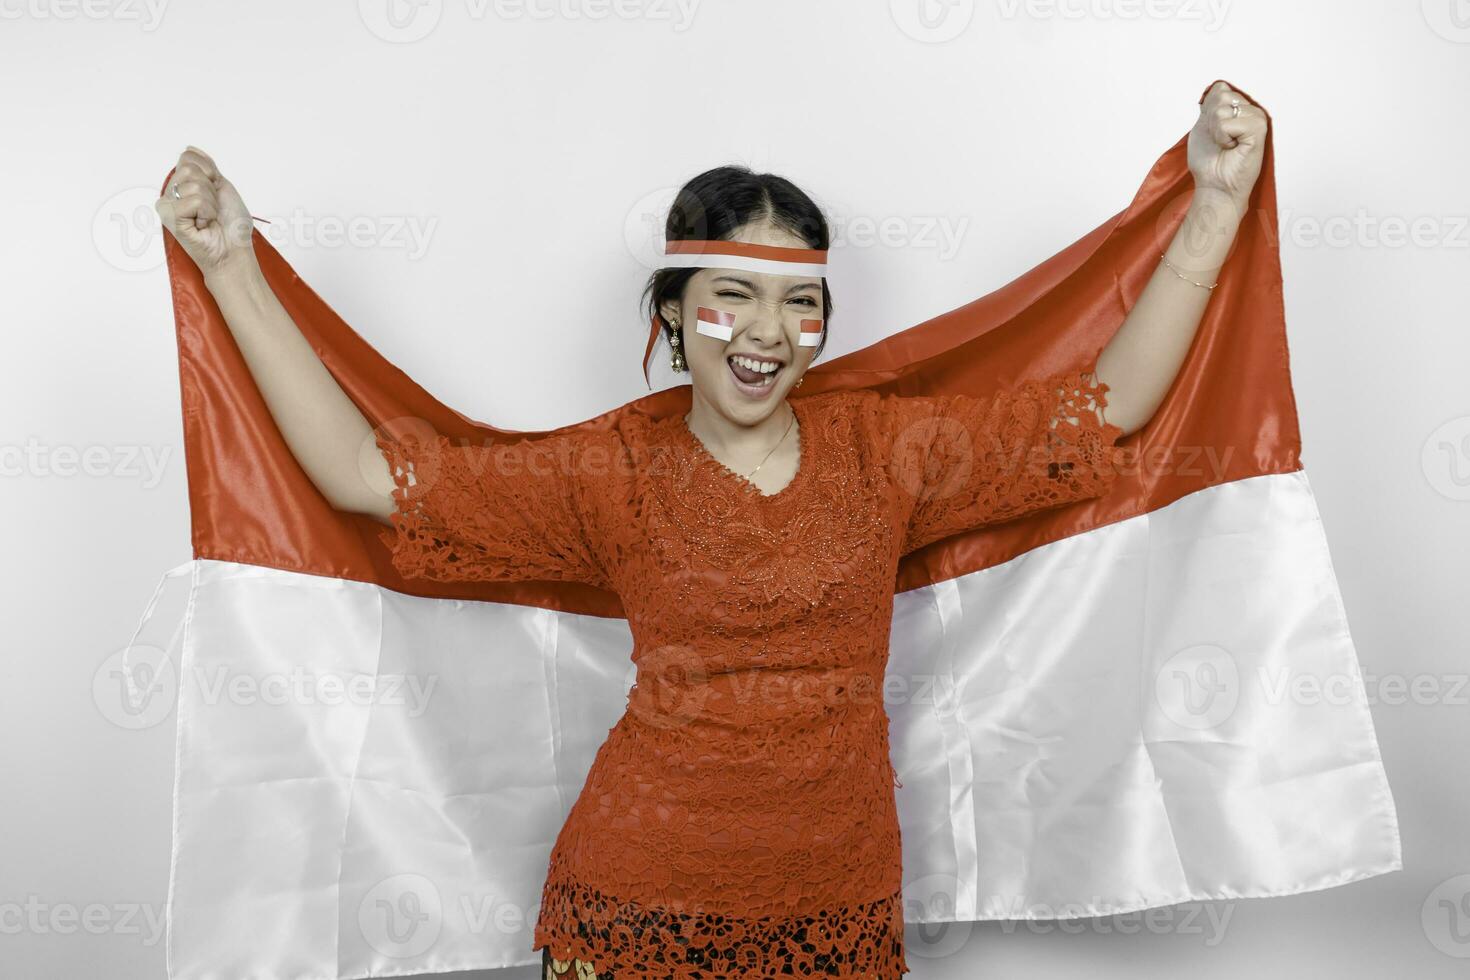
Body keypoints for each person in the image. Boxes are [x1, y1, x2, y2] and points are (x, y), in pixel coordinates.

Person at [155, 80, 1267, 979]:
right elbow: (365, 476)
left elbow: (1104, 412)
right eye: (732, 295)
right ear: (674, 314)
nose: (769, 333)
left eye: (800, 302)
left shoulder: (892, 451)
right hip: (632, 909)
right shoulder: (611, 471)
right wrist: (231, 261)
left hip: (837, 911)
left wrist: (1214, 207)